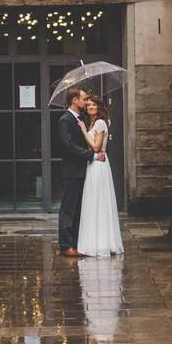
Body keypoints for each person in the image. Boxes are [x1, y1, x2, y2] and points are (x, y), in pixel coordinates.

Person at [57, 88, 105, 256]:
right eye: (84, 99)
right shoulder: (65, 119)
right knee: (68, 210)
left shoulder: (81, 119)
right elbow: (68, 145)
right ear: (75, 100)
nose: (86, 102)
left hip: (82, 171)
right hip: (71, 171)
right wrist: (91, 155)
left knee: (78, 209)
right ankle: (65, 245)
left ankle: (76, 243)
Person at [76, 95, 124, 257]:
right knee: (93, 201)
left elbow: (96, 147)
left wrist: (83, 131)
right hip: (93, 164)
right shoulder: (92, 123)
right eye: (88, 104)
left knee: (99, 201)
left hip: (98, 164)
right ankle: (93, 241)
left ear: (99, 107)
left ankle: (102, 243)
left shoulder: (100, 123)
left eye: (93, 104)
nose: (90, 107)